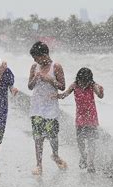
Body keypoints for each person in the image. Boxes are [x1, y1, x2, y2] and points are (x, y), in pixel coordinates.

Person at [54, 67, 104, 173]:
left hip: (91, 118)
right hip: (80, 118)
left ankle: (91, 163)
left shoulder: (92, 85)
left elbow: (100, 96)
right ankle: (83, 156)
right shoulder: (74, 85)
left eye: (85, 81)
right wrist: (56, 96)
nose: (83, 83)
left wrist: (101, 91)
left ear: (90, 80)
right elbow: (65, 94)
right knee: (80, 140)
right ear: (78, 78)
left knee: (91, 141)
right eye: (82, 81)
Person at [28, 41, 68, 175]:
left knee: (52, 135)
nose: (35, 60)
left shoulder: (56, 66)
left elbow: (62, 86)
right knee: (38, 137)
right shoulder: (34, 67)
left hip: (51, 107)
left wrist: (49, 79)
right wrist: (35, 78)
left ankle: (55, 155)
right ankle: (38, 165)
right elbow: (30, 86)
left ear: (44, 54)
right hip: (36, 107)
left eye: (36, 57)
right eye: (34, 58)